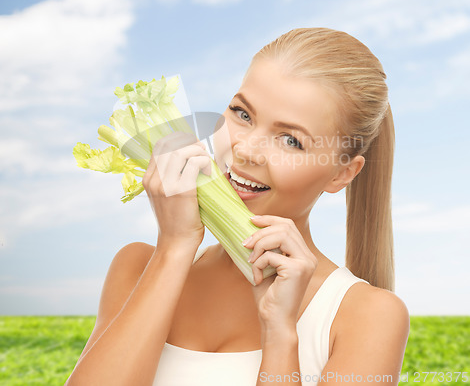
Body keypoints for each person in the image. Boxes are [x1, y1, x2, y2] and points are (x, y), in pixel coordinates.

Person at [65, 28, 410, 386]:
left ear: (341, 174)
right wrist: (174, 247)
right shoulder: (136, 268)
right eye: (242, 114)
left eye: (290, 140)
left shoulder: (367, 317)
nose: (244, 150)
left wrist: (280, 333)